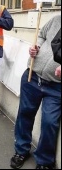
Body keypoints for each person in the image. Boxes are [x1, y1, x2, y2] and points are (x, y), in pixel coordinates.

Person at [10, 14, 61, 169]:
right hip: (33, 75)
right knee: (25, 113)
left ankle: (45, 161)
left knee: (49, 122)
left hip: (56, 86)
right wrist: (36, 47)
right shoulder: (57, 19)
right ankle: (21, 149)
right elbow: (41, 35)